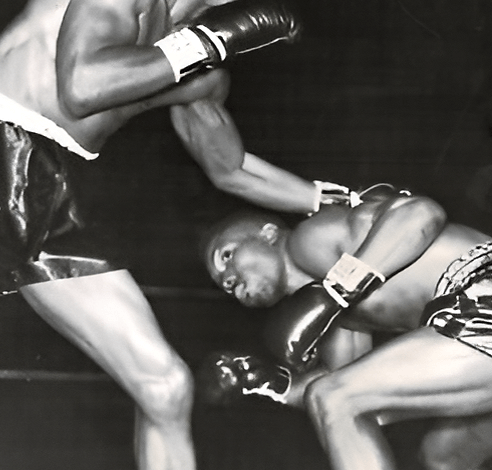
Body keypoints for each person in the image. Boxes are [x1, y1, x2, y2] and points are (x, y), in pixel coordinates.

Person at [0, 0, 365, 470]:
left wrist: (345, 200)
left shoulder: (202, 70)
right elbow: (81, 86)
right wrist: (210, 41)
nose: (267, 5)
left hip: (59, 192)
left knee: (166, 386)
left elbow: (231, 169)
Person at [201, 185, 492, 470]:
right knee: (446, 457)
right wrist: (273, 384)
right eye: (223, 283)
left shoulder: (310, 238)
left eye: (226, 256)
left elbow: (421, 213)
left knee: (335, 397)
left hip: (480, 285)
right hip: (470, 322)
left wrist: (338, 289)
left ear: (268, 233)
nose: (228, 279)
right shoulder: (332, 312)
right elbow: (357, 396)